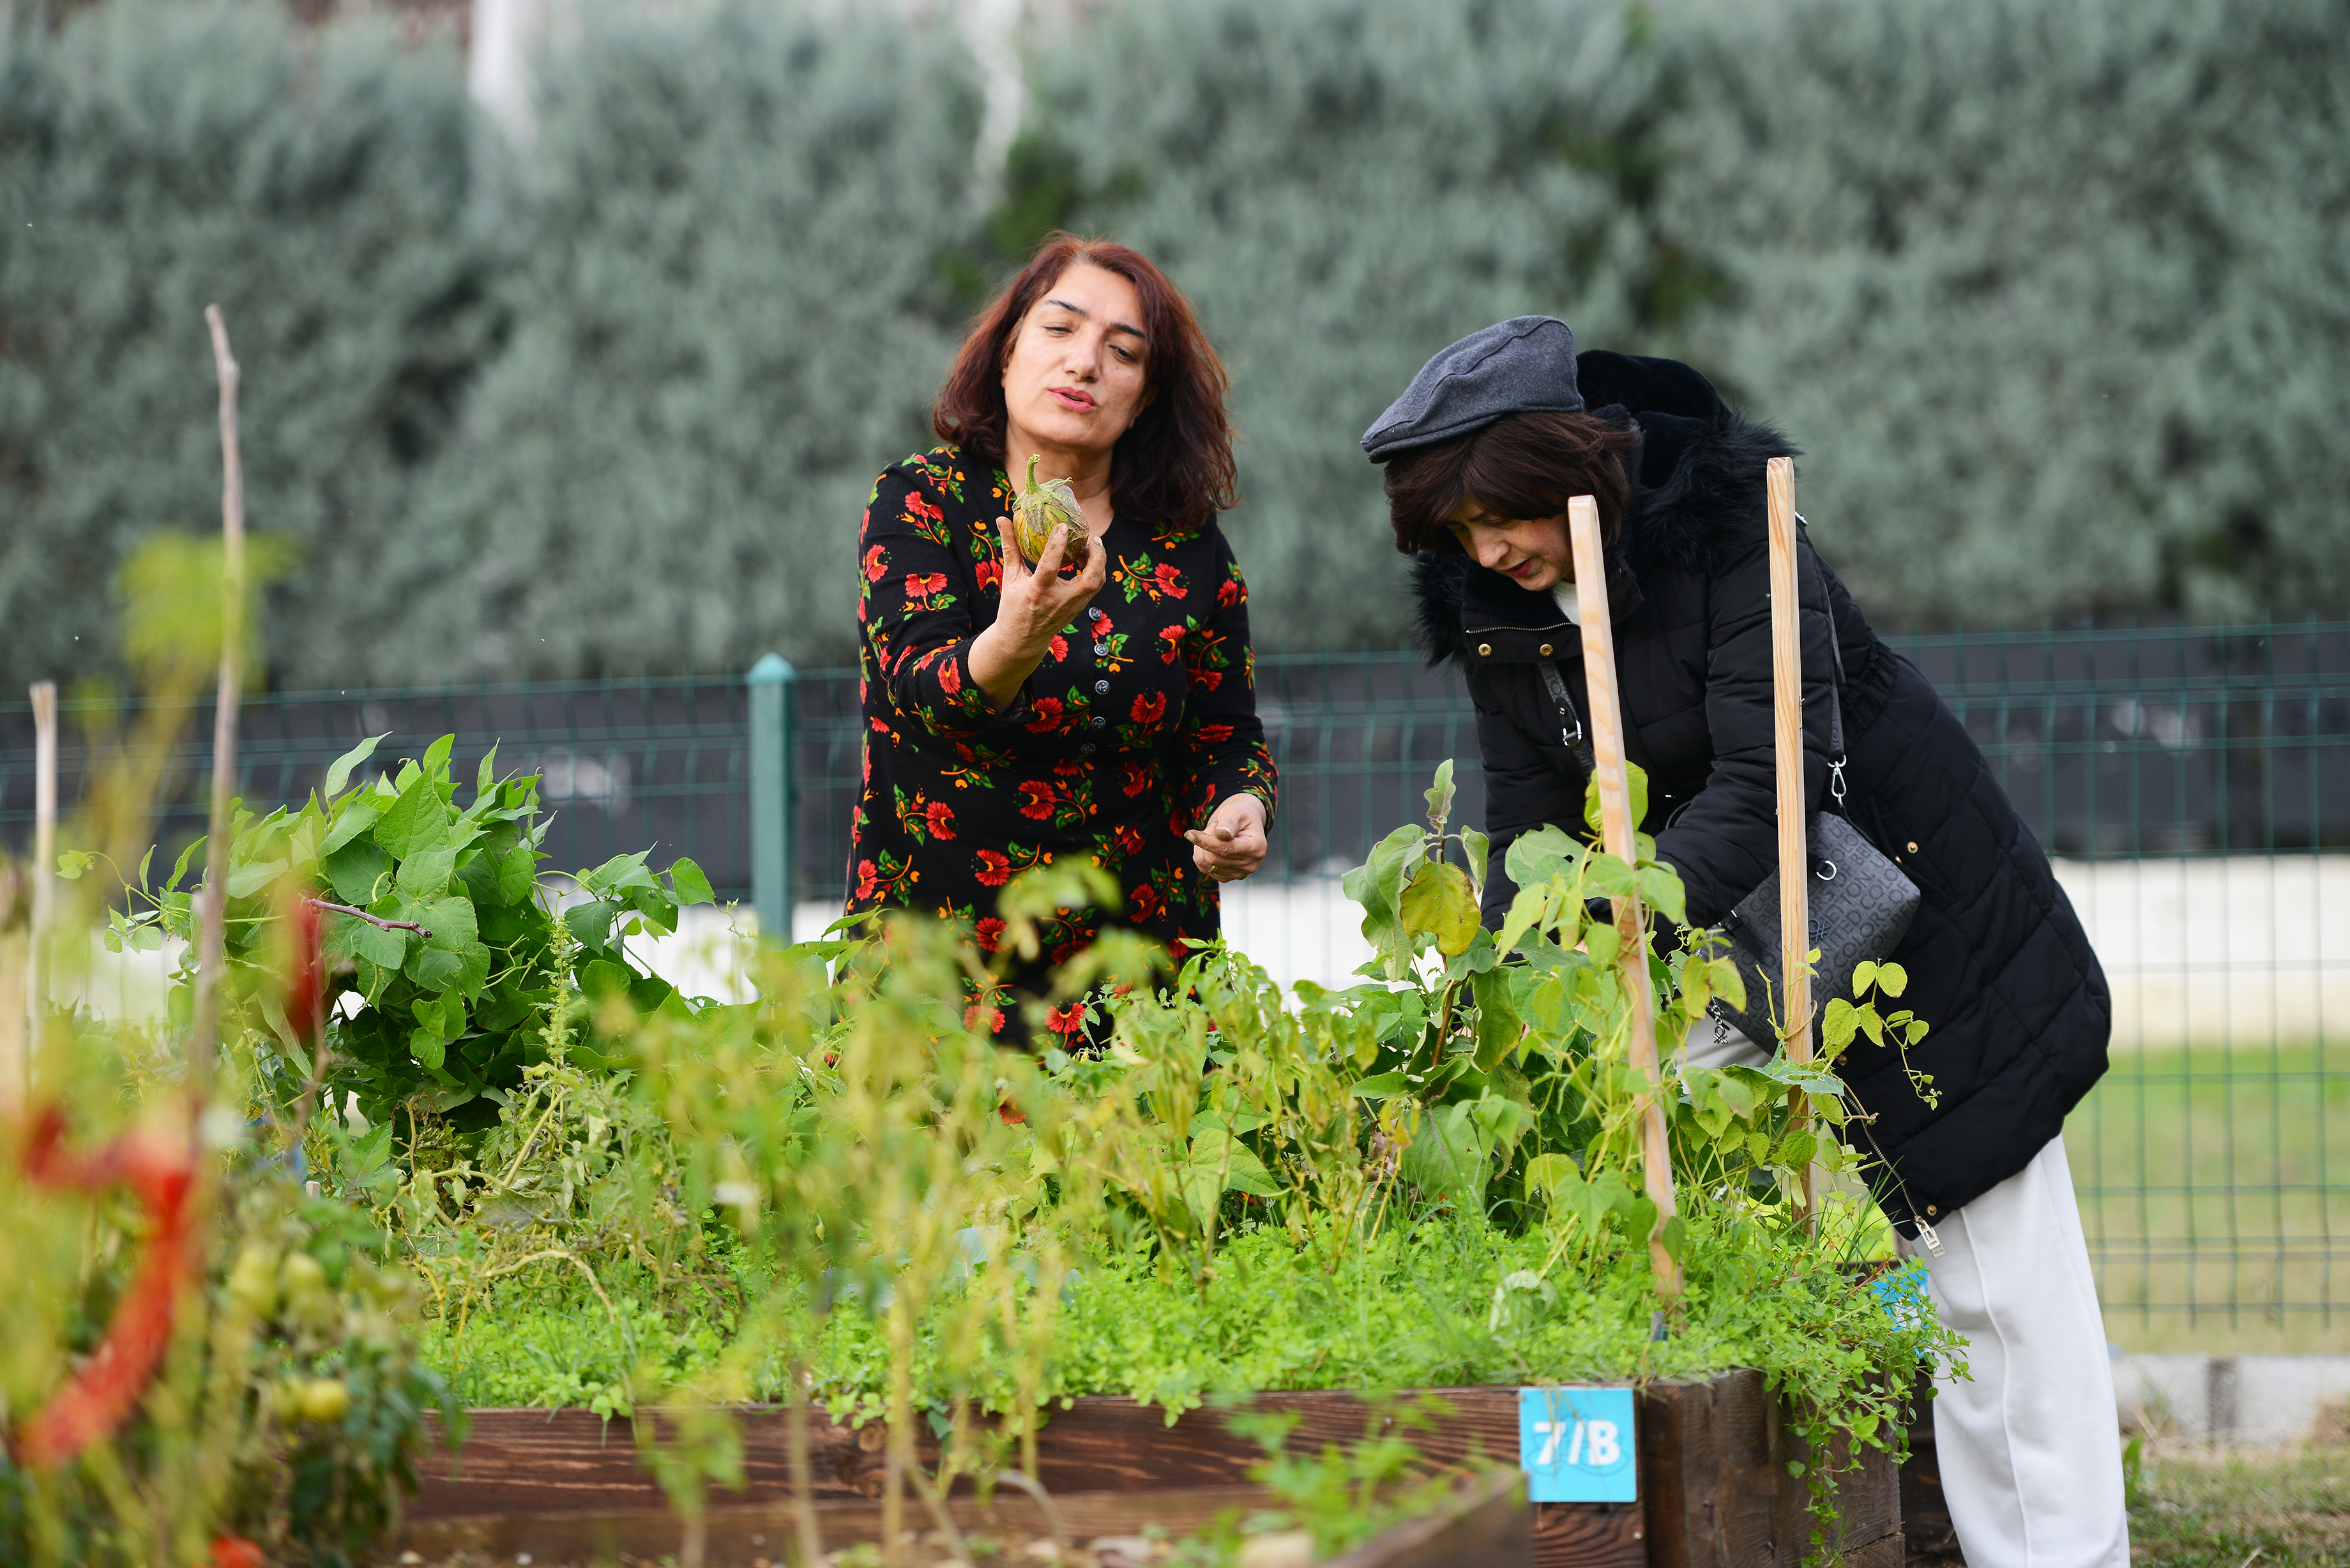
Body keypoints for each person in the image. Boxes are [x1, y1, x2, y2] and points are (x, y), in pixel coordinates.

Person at [1364, 317, 2126, 1568]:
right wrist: (1506, 992)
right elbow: (1531, 823)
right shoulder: (1498, 608)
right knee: (1672, 1230)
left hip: (1902, 901)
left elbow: (1771, 773)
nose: (1482, 549)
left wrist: (1624, 921)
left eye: (1493, 515)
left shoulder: (1727, 526)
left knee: (1994, 1266)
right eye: (1451, 532)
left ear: (1561, 468)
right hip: (1712, 932)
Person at [847, 234, 1277, 1044]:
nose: (1085, 363)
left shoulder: (1188, 549)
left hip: (1142, 988)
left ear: (1145, 397)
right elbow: (921, 689)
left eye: (1123, 352)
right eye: (1059, 329)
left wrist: (1237, 808)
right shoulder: (921, 502)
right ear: (1006, 352)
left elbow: (1225, 736)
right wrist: (1017, 633)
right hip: (941, 984)